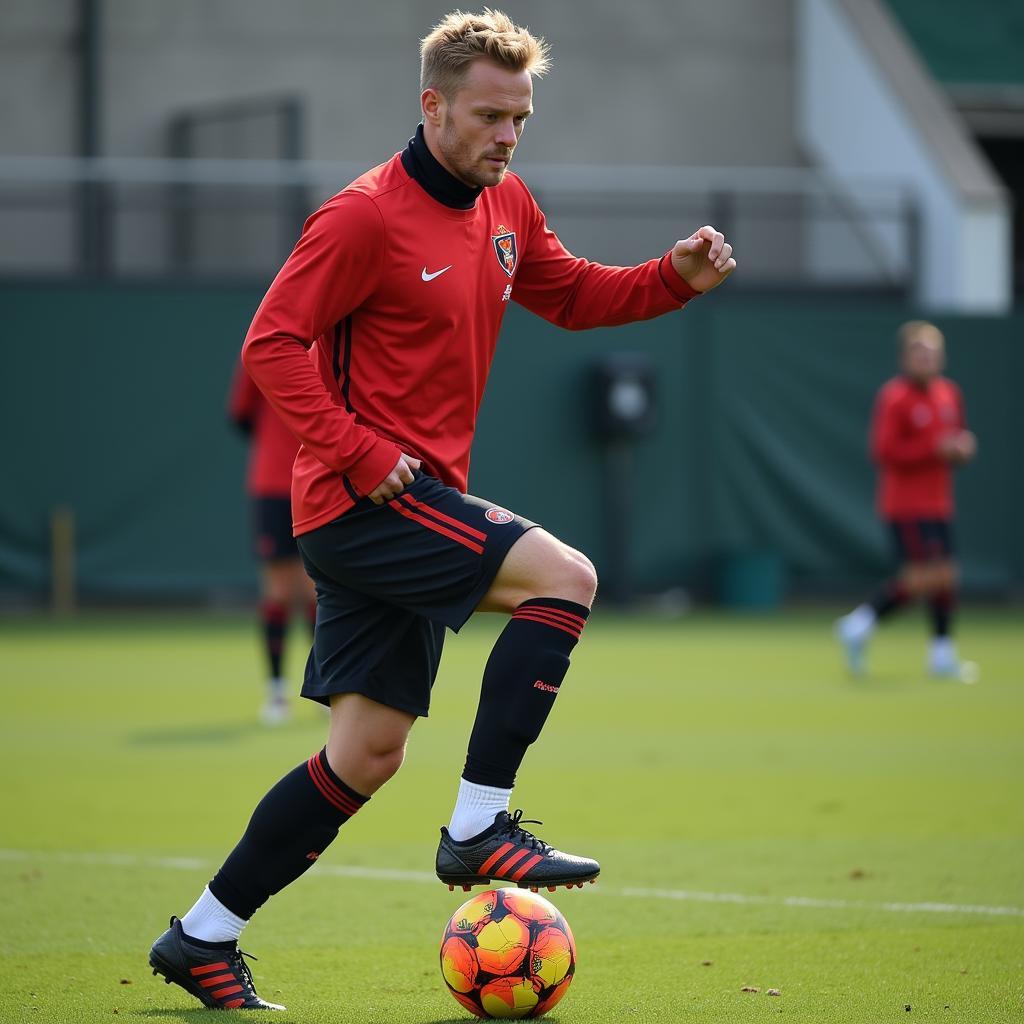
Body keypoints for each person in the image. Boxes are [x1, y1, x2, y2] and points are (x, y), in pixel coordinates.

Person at [149, 9, 736, 1010]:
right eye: (488, 115)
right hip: (360, 502)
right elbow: (272, 346)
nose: (506, 136)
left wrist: (668, 281)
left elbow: (571, 291)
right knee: (567, 578)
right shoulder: (361, 216)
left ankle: (202, 934)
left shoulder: (505, 203)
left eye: (520, 118)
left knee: (365, 754)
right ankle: (479, 825)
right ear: (433, 105)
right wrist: (360, 448)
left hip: (412, 504)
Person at [835, 321, 976, 680]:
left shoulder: (949, 394)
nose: (926, 359)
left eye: (932, 353)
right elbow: (883, 451)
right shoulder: (895, 397)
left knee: (945, 577)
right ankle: (860, 623)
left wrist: (960, 450)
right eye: (919, 353)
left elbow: (953, 442)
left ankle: (941, 654)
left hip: (939, 502)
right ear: (905, 358)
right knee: (921, 577)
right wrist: (935, 447)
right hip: (905, 504)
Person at [227, 360, 317, 724]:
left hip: (314, 481)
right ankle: (278, 691)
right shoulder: (263, 347)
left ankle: (323, 689)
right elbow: (241, 413)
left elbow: (240, 418)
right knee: (282, 590)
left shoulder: (329, 342)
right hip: (281, 484)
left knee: (316, 591)